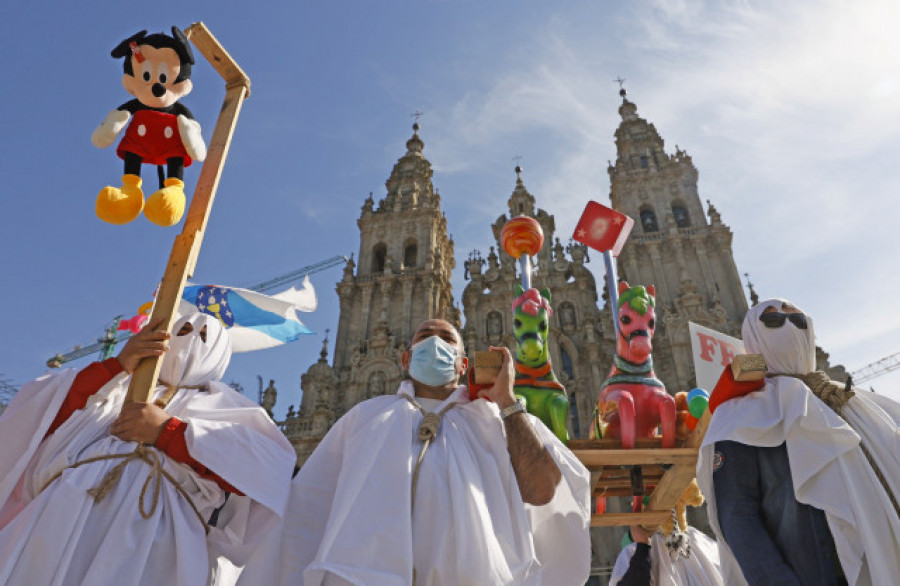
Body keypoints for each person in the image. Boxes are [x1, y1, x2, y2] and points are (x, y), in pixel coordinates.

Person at [262, 318, 591, 585]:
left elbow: (543, 490)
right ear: (406, 359)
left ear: (463, 365)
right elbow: (306, 510)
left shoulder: (497, 420)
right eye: (425, 336)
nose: (435, 343)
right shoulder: (364, 417)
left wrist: (506, 401)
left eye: (446, 338)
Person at [0, 313, 297, 586]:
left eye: (205, 336)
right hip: (58, 518)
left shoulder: (233, 409)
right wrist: (117, 366)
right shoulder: (114, 385)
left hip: (157, 538)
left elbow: (263, 471)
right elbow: (36, 421)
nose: (192, 338)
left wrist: (167, 432)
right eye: (183, 329)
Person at [697, 298, 900, 586]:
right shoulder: (740, 416)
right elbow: (738, 517)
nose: (789, 327)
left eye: (798, 319)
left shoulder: (847, 401)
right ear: (753, 337)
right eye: (774, 321)